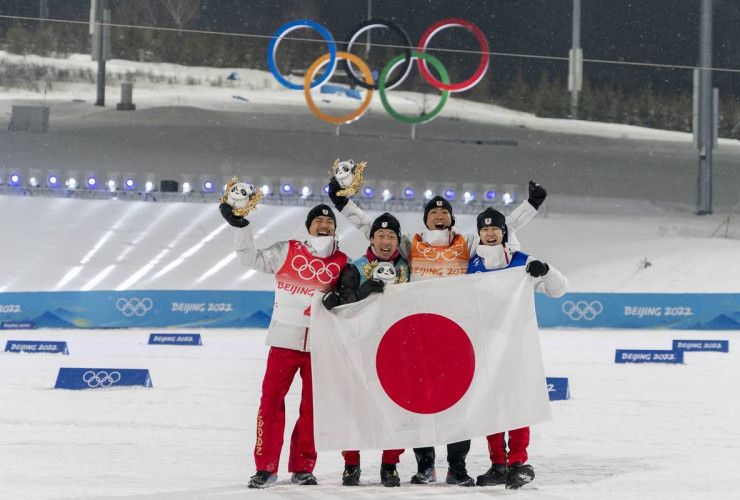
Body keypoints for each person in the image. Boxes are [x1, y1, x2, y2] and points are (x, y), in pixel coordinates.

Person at [328, 176, 548, 486]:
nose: (439, 215)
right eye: (433, 212)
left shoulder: (466, 242)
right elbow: (375, 230)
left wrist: (531, 206)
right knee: (421, 403)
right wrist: (342, 204)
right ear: (425, 219)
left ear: (452, 220)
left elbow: (498, 231)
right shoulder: (412, 243)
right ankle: (426, 465)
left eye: (444, 213)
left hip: (457, 334)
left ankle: (456, 466)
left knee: (459, 403)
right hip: (418, 334)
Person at [219, 202, 349, 488]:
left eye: (329, 222)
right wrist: (242, 229)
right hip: (284, 342)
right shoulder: (286, 250)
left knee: (313, 408)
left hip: (320, 345)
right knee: (270, 404)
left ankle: (303, 467)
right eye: (318, 221)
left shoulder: (342, 262)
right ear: (308, 226)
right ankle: (265, 468)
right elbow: (249, 259)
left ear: (335, 229)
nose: (324, 225)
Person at [467, 207, 568, 490]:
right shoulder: (471, 265)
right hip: (484, 348)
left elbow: (559, 289)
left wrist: (546, 271)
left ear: (504, 232)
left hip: (516, 348)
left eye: (495, 229)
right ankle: (498, 464)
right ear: (479, 234)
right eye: (485, 229)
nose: (490, 233)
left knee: (517, 406)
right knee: (491, 407)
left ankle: (517, 463)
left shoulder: (523, 262)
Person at [322, 212, 408, 488]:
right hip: (358, 348)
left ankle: (390, 465)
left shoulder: (408, 268)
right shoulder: (355, 267)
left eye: (391, 236)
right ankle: (351, 464)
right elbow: (339, 303)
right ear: (371, 239)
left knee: (395, 408)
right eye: (380, 236)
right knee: (354, 407)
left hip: (396, 349)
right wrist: (360, 294)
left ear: (397, 241)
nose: (386, 241)